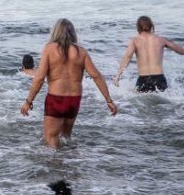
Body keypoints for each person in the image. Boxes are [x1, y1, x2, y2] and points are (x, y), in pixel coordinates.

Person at [21, 19, 117, 148]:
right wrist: (109, 101)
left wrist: (28, 102)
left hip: (56, 99)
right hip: (74, 100)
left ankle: (55, 166)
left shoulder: (49, 49)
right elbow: (97, 76)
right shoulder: (81, 52)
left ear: (55, 32)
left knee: (51, 138)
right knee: (66, 137)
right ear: (73, 33)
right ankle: (69, 164)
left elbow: (39, 78)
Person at [113, 15, 184, 92]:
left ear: (138, 27)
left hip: (143, 79)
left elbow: (128, 56)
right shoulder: (161, 39)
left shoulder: (135, 41)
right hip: (159, 78)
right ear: (152, 26)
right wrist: (167, 42)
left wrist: (118, 75)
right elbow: (182, 51)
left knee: (137, 99)